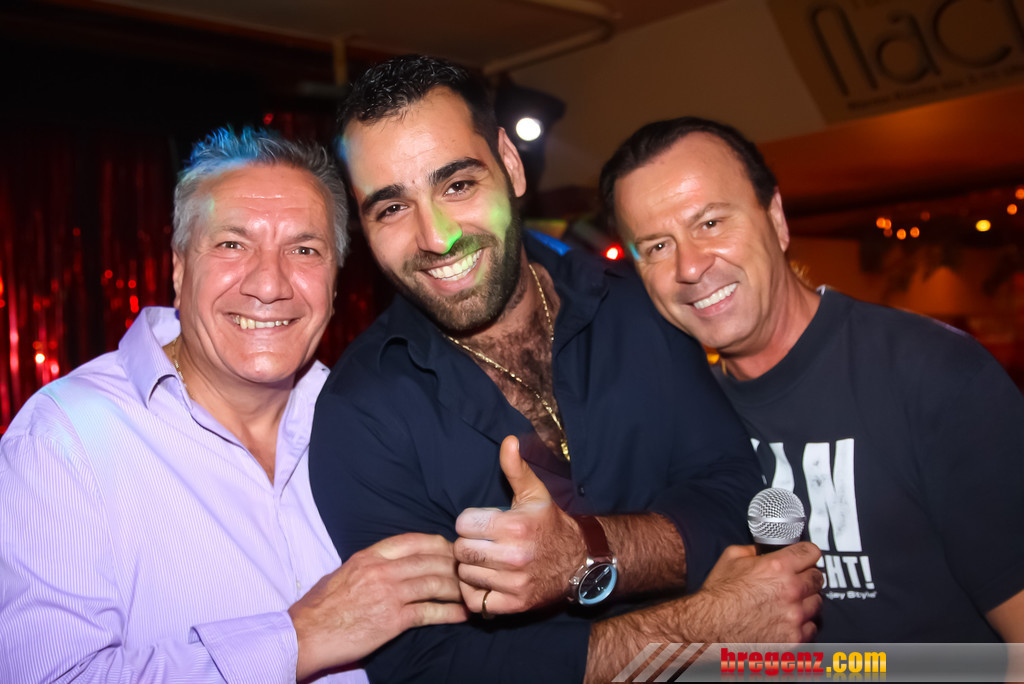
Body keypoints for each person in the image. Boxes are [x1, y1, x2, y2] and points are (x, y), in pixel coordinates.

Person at [310, 55, 823, 683]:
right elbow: (429, 669)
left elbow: (734, 494)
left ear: (510, 163)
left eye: (458, 185)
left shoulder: (639, 310)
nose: (436, 237)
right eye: (391, 208)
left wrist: (585, 552)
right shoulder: (359, 412)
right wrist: (700, 631)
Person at [0, 128, 466, 683]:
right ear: (178, 268)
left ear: (336, 283)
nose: (269, 285)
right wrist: (300, 638)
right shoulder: (64, 438)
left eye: (304, 250)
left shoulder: (380, 421)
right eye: (232, 245)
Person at [600, 116, 1024, 642]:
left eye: (710, 223)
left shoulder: (933, 373)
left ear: (776, 218)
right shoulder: (674, 419)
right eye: (657, 247)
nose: (689, 266)